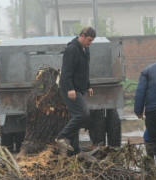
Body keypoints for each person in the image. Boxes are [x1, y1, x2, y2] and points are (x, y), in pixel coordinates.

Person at [55, 27, 96, 155]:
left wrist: (88, 85)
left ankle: (75, 151)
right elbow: (66, 71)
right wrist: (70, 89)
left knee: (76, 117)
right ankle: (61, 137)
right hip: (69, 88)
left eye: (92, 41)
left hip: (79, 88)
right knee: (83, 114)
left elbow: (85, 70)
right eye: (89, 40)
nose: (90, 43)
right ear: (82, 36)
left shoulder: (85, 49)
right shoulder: (72, 49)